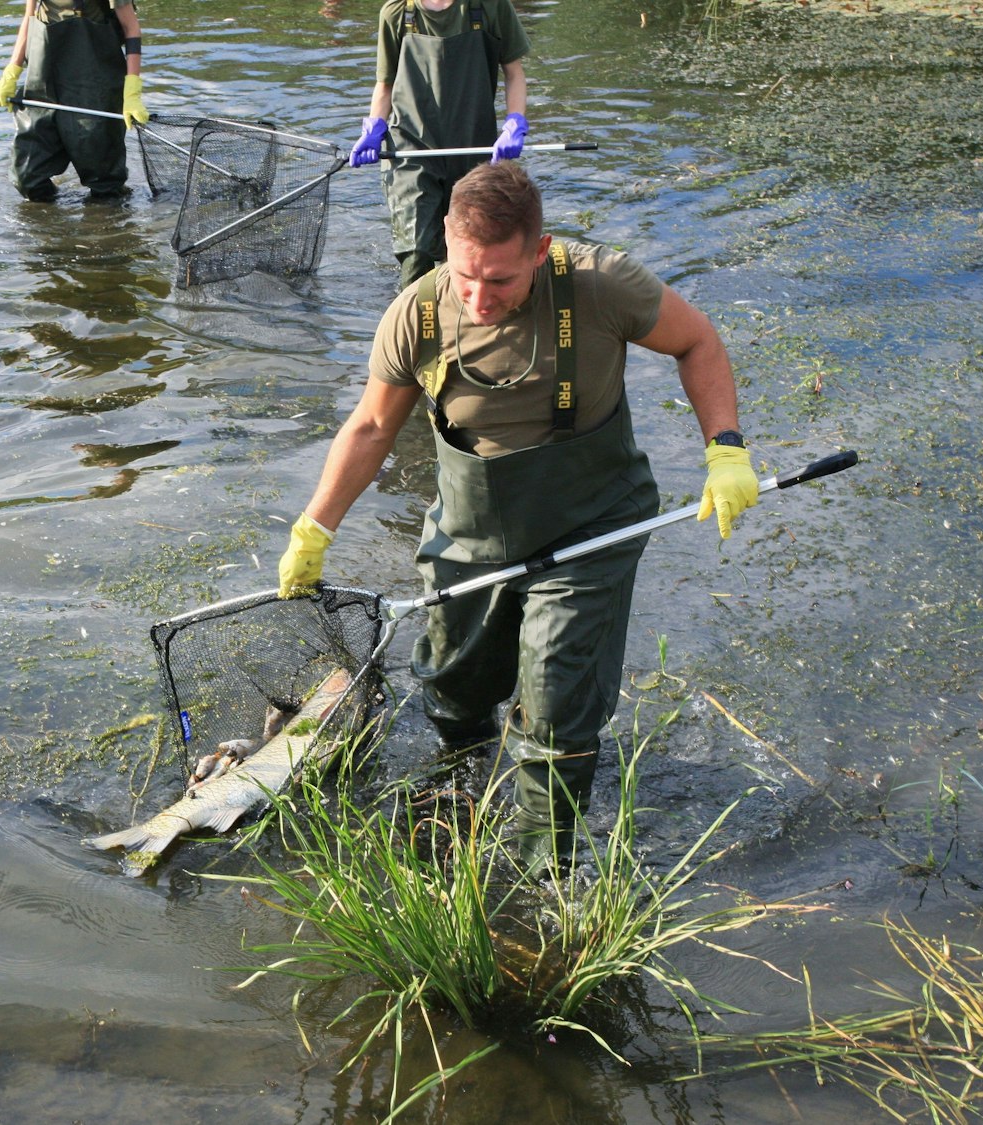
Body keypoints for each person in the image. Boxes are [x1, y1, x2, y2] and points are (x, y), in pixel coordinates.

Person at [275, 163, 759, 875]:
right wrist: (314, 529)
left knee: (557, 702)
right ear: (445, 239)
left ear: (539, 249)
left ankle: (542, 878)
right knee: (455, 689)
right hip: (470, 530)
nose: (479, 296)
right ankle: (456, 794)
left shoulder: (602, 285)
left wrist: (725, 448)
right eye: (466, 274)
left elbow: (698, 342)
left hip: (590, 524)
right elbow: (373, 426)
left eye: (500, 279)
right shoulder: (416, 314)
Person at [349, 0, 531, 290]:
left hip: (474, 149)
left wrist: (515, 122)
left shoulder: (490, 7)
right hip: (411, 147)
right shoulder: (397, 14)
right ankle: (410, 323)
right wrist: (373, 128)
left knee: (468, 253)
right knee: (416, 250)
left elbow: (514, 72)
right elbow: (385, 84)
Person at [0, 0, 148, 202]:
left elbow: (131, 28)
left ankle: (108, 222)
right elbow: (29, 18)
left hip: (94, 83)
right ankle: (50, 223)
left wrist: (132, 90)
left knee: (104, 183)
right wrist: (11, 73)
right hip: (43, 80)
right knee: (27, 178)